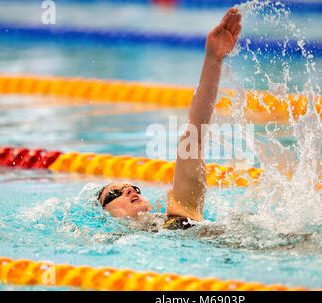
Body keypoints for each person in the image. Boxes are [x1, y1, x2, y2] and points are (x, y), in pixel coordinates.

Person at [96, 8, 242, 230]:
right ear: (107, 215)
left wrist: (213, 60)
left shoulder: (179, 210)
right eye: (116, 193)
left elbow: (195, 133)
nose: (130, 191)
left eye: (132, 187)